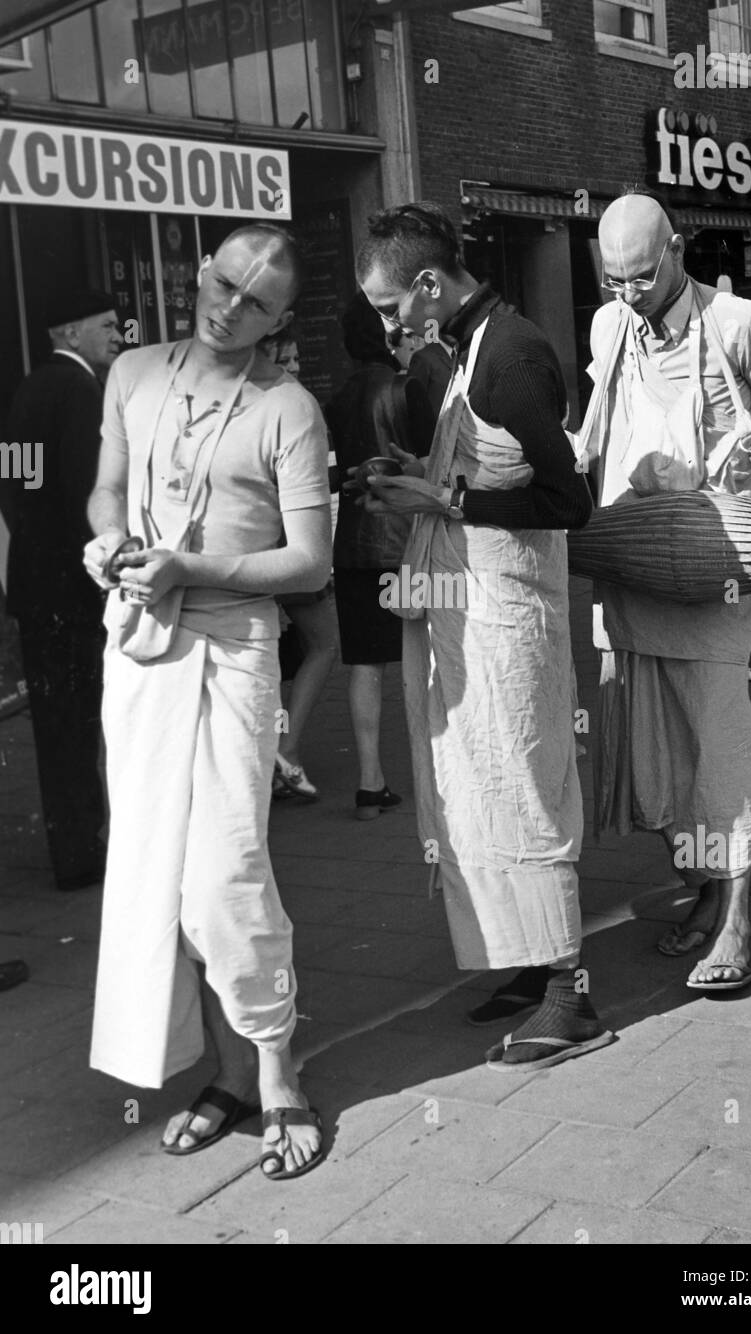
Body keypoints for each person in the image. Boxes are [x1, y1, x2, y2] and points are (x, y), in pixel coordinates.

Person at [83, 223, 332, 1179]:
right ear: (202, 272)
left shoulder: (290, 408)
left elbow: (307, 561)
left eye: (256, 302)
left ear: (279, 318)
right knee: (156, 869)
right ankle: (227, 1076)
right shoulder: (134, 373)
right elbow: (106, 493)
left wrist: (193, 564)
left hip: (233, 644)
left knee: (226, 872)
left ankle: (279, 1074)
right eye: (225, 283)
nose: (230, 308)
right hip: (141, 644)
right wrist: (106, 544)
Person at [357, 202, 611, 1073]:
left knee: (528, 785)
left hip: (511, 619)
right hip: (474, 607)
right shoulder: (468, 347)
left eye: (394, 308)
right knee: (482, 787)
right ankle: (529, 958)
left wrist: (446, 501)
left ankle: (569, 996)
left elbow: (567, 502)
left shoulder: (510, 353)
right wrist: (414, 476)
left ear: (429, 285)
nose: (391, 325)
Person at [583, 194, 751, 989]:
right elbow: (593, 427)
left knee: (720, 748)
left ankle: (736, 920)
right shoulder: (608, 328)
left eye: (640, 276)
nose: (626, 293)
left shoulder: (736, 323)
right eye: (613, 279)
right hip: (632, 564)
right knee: (653, 760)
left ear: (678, 249)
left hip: (717, 561)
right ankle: (701, 889)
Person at [5, 291, 122, 890]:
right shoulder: (79, 392)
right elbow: (88, 492)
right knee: (81, 719)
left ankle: (72, 843)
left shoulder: (28, 389)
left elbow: (15, 485)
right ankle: (86, 849)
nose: (118, 334)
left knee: (57, 723)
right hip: (72, 587)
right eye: (105, 324)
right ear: (70, 333)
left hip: (34, 580)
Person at [324, 296, 429, 818]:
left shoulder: (337, 397)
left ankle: (370, 781)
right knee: (420, 658)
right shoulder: (407, 387)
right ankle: (435, 769)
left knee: (364, 663)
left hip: (355, 543)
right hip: (407, 539)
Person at [262, 326, 339, 801]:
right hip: (294, 552)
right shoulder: (296, 409)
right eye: (284, 360)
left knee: (268, 658)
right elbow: (320, 491)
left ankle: (274, 752)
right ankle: (284, 752)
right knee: (324, 643)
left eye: (296, 361)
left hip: (260, 554)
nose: (293, 370)